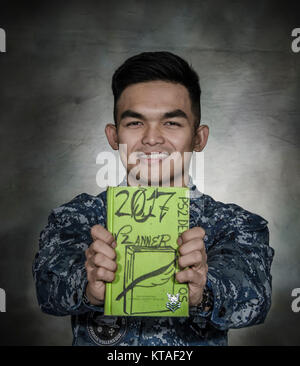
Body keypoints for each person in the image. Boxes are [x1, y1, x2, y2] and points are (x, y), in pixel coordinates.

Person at [32, 51, 274, 346]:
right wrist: (86, 284)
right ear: (114, 136)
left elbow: (255, 295)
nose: (151, 138)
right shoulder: (78, 216)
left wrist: (205, 290)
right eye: (135, 123)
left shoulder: (236, 225)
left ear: (198, 138)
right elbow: (46, 287)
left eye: (171, 123)